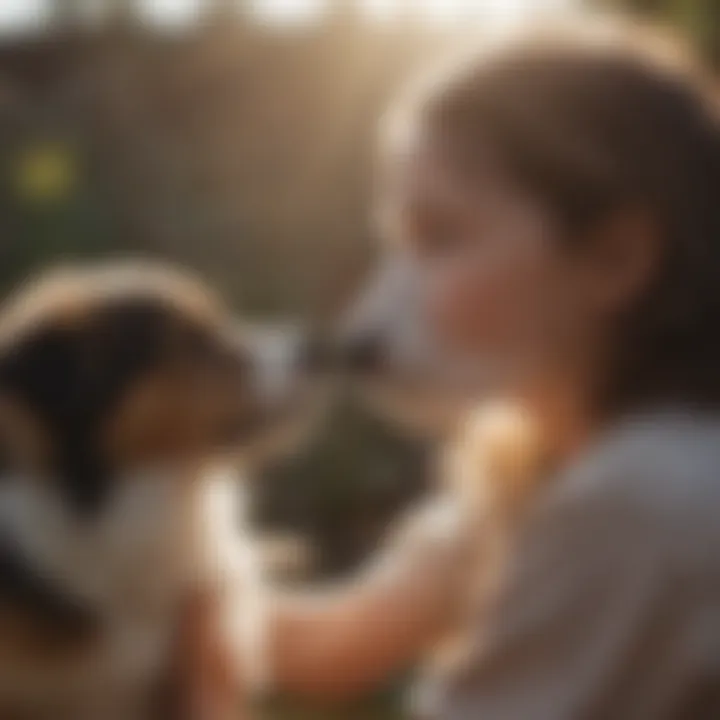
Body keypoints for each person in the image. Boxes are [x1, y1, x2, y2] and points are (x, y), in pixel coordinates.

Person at [185, 20, 720, 719]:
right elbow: (328, 646)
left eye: (440, 238)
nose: (366, 323)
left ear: (616, 258)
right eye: (397, 244)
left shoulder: (644, 495)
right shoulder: (531, 462)